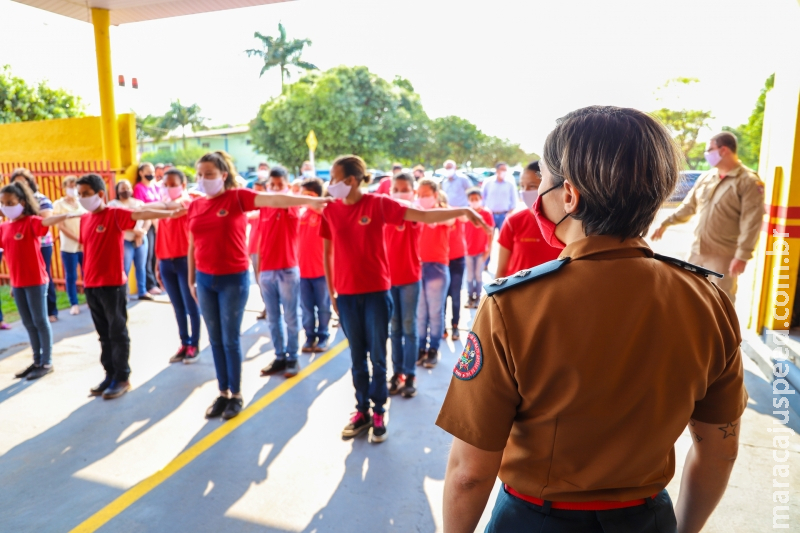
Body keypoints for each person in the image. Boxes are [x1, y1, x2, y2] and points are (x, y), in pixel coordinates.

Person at [437, 106, 746, 533]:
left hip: (534, 521)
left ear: (570, 196)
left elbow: (469, 473)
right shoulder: (709, 300)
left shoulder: (513, 306)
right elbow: (718, 451)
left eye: (543, 180)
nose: (536, 194)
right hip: (647, 519)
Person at [320, 155, 488, 443]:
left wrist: (462, 210)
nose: (330, 184)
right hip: (347, 297)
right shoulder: (330, 210)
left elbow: (423, 216)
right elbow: (328, 252)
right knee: (357, 358)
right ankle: (360, 411)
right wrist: (332, 290)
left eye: (334, 178)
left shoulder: (378, 204)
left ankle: (378, 412)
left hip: (376, 294)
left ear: (351, 180)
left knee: (377, 355)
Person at [187, 152, 326, 421]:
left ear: (223, 175)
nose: (204, 180)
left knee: (229, 339)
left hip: (233, 279)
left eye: (210, 175)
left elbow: (276, 199)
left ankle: (236, 394)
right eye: (200, 175)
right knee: (214, 340)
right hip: (205, 280)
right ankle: (223, 392)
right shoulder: (195, 206)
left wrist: (314, 199)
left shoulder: (237, 197)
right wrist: (192, 279)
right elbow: (192, 245)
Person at [44, 173, 182, 400]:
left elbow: (141, 212)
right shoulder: (86, 219)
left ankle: (122, 376)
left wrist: (170, 212)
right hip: (92, 285)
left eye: (86, 194)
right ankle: (109, 374)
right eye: (79, 194)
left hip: (113, 285)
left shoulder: (115, 214)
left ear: (100, 194)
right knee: (103, 334)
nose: (82, 198)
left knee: (117, 332)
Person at [651, 131, 765, 303]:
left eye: (709, 149)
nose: (706, 154)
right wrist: (666, 223)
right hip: (697, 251)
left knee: (721, 302)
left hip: (723, 255)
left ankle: (721, 332)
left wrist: (742, 256)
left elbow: (752, 222)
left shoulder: (748, 181)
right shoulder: (707, 177)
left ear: (724, 150)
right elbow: (689, 206)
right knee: (690, 298)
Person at [1, 182, 54, 380]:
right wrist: (14, 284)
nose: (6, 206)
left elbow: (48, 222)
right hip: (18, 283)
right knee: (28, 323)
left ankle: (47, 361)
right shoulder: (4, 227)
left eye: (10, 202)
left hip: (36, 280)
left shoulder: (32, 221)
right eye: (3, 203)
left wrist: (66, 215)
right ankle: (37, 360)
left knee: (40, 320)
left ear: (22, 202)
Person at [255, 166, 303, 379]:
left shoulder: (291, 206)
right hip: (267, 271)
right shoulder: (264, 208)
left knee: (291, 317)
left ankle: (292, 357)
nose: (275, 189)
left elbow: (291, 203)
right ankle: (279, 356)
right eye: (272, 185)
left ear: (288, 187)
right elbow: (260, 240)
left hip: (287, 269)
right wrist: (258, 271)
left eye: (279, 185)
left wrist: (286, 195)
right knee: (273, 318)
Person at [153, 169, 201, 364]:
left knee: (191, 305)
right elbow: (161, 235)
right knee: (177, 307)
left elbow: (171, 206)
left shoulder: (187, 202)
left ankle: (194, 345)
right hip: (166, 261)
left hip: (184, 261)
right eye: (165, 184)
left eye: (173, 184)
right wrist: (157, 263)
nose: (168, 188)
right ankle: (184, 342)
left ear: (182, 185)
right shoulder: (163, 208)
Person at [384, 172, 422, 398]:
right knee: (394, 328)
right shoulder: (386, 215)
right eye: (395, 190)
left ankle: (409, 374)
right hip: (388, 280)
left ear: (413, 191)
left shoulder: (414, 214)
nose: (399, 193)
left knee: (409, 327)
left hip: (409, 279)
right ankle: (397, 372)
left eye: (404, 189)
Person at [495, 161, 561, 278]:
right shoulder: (513, 222)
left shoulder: (566, 223)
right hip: (518, 293)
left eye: (532, 186)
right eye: (522, 186)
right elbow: (501, 272)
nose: (525, 191)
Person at [10, 168, 57, 322]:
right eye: (17, 182)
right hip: (20, 243)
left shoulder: (41, 199)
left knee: (44, 275)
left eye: (23, 181)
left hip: (42, 244)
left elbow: (46, 219)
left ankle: (51, 311)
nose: (20, 185)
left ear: (29, 182)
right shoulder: (11, 202)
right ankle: (31, 312)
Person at [415, 180, 453, 369]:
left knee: (435, 313)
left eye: (426, 194)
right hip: (417, 266)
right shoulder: (415, 211)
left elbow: (453, 219)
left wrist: (430, 215)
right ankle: (420, 348)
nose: (422, 198)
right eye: (419, 194)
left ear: (436, 195)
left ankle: (433, 350)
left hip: (437, 267)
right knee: (421, 313)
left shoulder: (445, 211)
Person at [297, 177, 332, 354]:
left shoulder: (324, 212)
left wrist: (314, 203)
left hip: (321, 271)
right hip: (303, 272)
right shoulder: (302, 213)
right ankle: (310, 336)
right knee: (307, 308)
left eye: (306, 194)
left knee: (324, 306)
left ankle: (323, 335)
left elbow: (323, 209)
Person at [109, 181, 152, 301]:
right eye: (123, 188)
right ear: (117, 190)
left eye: (128, 188)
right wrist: (134, 232)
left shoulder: (139, 203)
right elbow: (115, 222)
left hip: (141, 239)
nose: (126, 190)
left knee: (141, 266)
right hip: (125, 239)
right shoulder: (113, 205)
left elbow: (147, 218)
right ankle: (124, 293)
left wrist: (142, 232)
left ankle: (142, 291)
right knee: (124, 267)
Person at [52, 175, 86, 315]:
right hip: (69, 245)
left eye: (74, 186)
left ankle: (90, 299)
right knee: (71, 275)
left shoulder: (81, 202)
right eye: (70, 186)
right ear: (64, 187)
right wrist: (77, 238)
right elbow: (60, 226)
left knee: (87, 273)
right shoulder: (59, 204)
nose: (72, 189)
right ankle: (74, 303)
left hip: (84, 244)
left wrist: (83, 239)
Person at [133, 162, 162, 296]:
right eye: (148, 171)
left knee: (156, 254)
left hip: (158, 224)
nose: (151, 174)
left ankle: (157, 281)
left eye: (152, 171)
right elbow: (141, 209)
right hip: (147, 225)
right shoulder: (139, 188)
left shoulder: (155, 187)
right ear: (141, 172)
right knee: (148, 255)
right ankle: (150, 284)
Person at [464, 187, 494, 308]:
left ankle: (477, 297)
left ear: (481, 199)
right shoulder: (465, 214)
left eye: (476, 199)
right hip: (468, 250)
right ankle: (470, 297)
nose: (474, 201)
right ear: (468, 200)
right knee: (470, 275)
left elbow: (490, 231)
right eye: (472, 199)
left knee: (478, 274)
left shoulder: (486, 213)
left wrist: (488, 249)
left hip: (481, 250)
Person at [445, 204, 467, 341]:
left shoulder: (456, 213)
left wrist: (452, 210)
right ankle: (441, 327)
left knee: (455, 295)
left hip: (457, 260)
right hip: (440, 261)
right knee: (441, 298)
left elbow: (465, 217)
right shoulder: (434, 218)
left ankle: (455, 326)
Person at [248, 175, 268, 320]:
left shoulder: (267, 208)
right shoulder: (253, 209)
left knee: (265, 281)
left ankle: (271, 307)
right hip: (253, 249)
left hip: (265, 250)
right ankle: (267, 306)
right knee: (259, 281)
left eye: (259, 191)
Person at [481, 161, 518, 232]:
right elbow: (482, 197)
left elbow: (514, 200)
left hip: (504, 215)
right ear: (497, 170)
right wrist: (484, 212)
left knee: (504, 239)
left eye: (505, 170)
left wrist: (509, 213)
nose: (504, 172)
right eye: (502, 169)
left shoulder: (510, 183)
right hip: (490, 215)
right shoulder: (488, 182)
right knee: (488, 236)